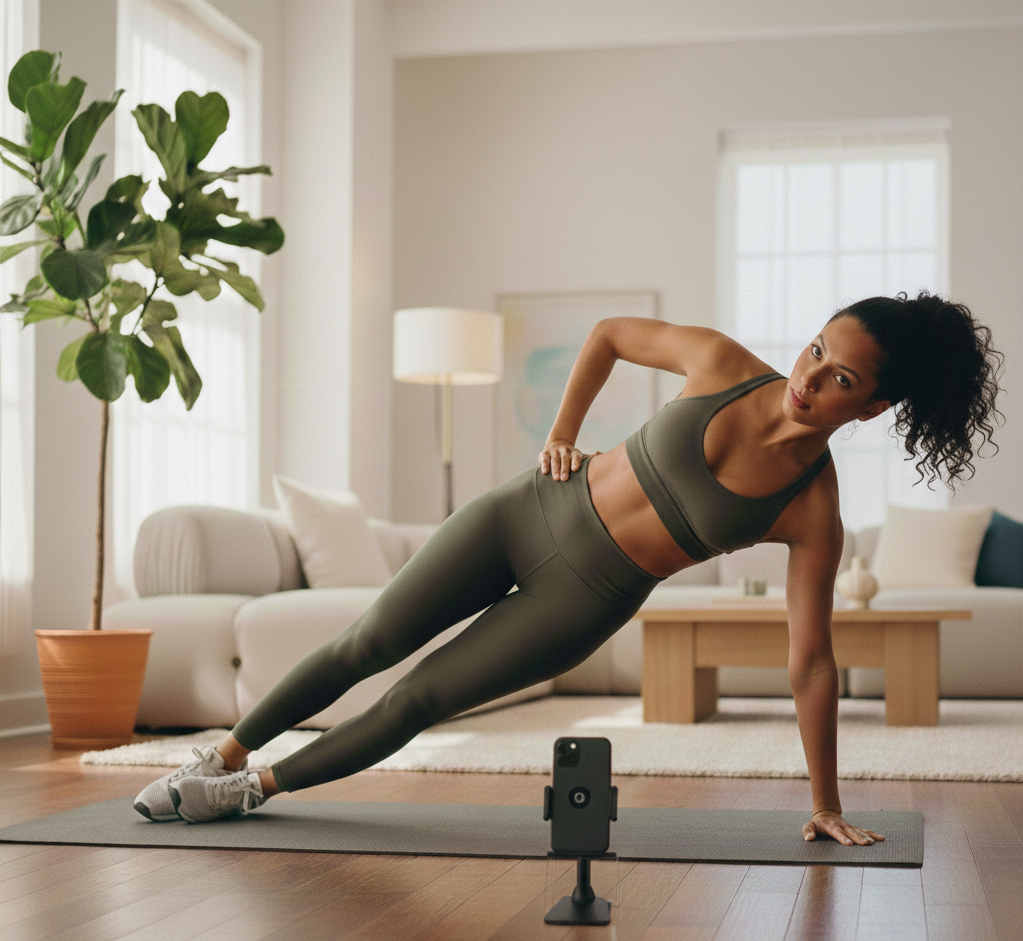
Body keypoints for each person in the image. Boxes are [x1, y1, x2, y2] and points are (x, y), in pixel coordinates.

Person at [135, 291, 1002, 846]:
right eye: (816, 347)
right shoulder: (725, 365)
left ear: (875, 407)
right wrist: (558, 435)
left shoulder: (812, 509)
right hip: (524, 511)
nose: (809, 378)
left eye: (840, 376)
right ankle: (219, 753)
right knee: (367, 640)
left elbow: (812, 660)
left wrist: (825, 798)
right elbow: (610, 334)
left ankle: (251, 788)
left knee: (417, 700)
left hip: (581, 597)